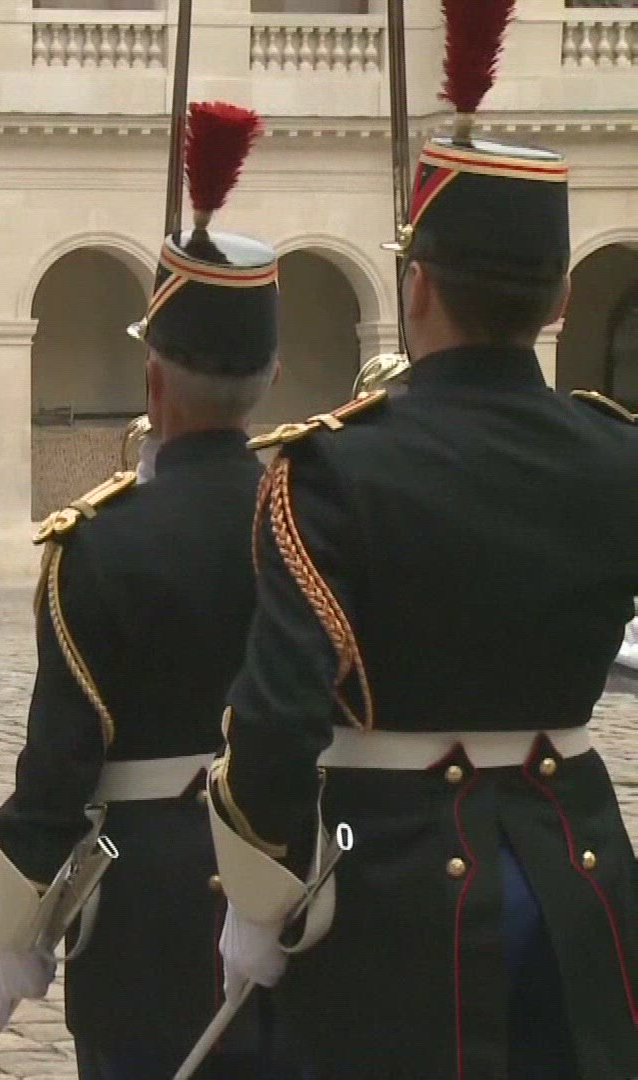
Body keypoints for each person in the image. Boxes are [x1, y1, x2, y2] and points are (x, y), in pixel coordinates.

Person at [209, 17, 638, 1076]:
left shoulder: (332, 469)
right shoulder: (618, 456)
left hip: (390, 884)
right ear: (560, 301)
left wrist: (259, 901)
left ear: (418, 288)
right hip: (579, 870)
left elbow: (276, 721)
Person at [0, 103, 302, 1079]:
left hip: (148, 900)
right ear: (270, 377)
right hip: (301, 881)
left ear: (154, 382)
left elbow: (61, 757)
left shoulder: (99, 544)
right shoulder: (316, 523)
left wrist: (22, 914)